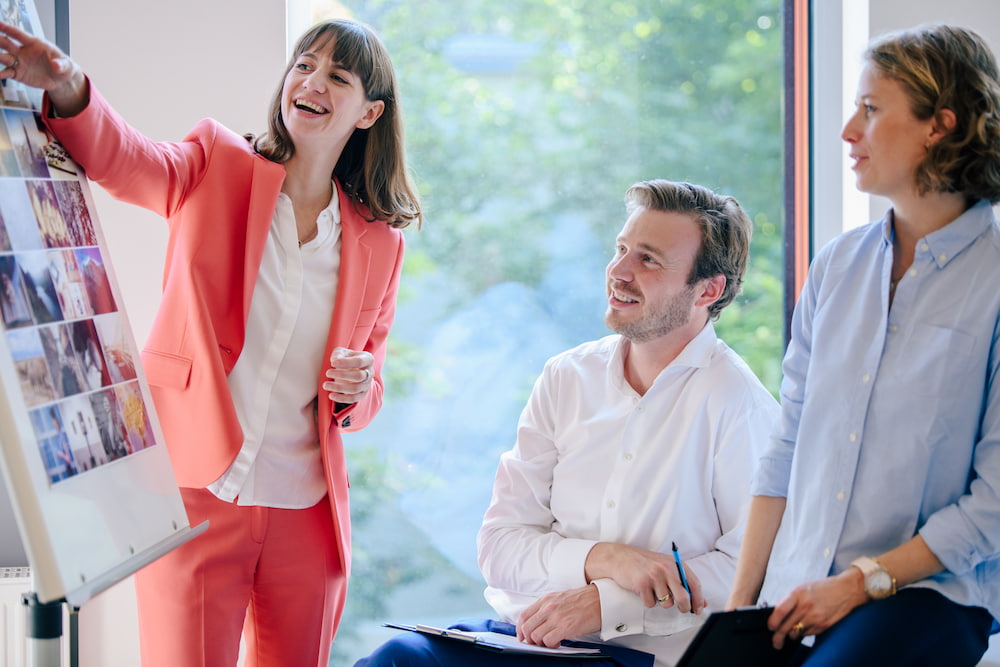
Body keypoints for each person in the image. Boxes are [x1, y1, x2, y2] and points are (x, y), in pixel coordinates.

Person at [0, 16, 420, 667]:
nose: (310, 82)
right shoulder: (216, 162)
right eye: (304, 65)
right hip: (195, 492)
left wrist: (359, 389)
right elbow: (129, 162)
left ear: (369, 112)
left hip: (305, 514)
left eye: (337, 76)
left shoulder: (379, 243)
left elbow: (368, 392)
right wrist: (70, 86)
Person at [355, 180, 779, 667]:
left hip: (638, 657)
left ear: (709, 289)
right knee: (396, 658)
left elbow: (752, 572)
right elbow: (499, 546)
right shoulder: (565, 377)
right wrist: (605, 559)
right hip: (522, 641)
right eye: (621, 249)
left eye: (648, 259)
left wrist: (608, 603)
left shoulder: (739, 406)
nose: (618, 271)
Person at [726, 23, 1000, 667]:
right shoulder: (836, 267)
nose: (849, 131)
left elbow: (994, 506)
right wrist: (737, 614)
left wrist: (857, 584)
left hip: (926, 598)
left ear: (940, 125)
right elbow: (786, 447)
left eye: (871, 110)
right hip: (798, 590)